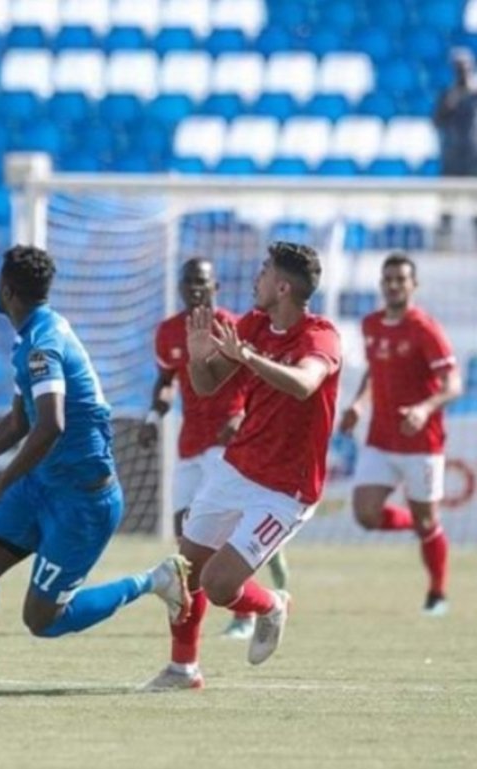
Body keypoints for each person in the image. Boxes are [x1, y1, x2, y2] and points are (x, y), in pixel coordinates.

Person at [0, 245, 191, 699]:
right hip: (41, 486)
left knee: (42, 621)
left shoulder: (44, 344)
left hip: (82, 500)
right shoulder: (30, 337)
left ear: (6, 290)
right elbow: (19, 422)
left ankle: (153, 581)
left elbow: (52, 425)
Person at [144, 241, 342, 692]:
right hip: (236, 469)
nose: (256, 278)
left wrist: (250, 356)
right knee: (184, 572)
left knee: (218, 584)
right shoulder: (254, 323)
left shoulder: (321, 334)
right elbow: (208, 384)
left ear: (283, 286)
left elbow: (306, 385)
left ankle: (272, 604)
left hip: (286, 490)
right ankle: (183, 670)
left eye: (265, 271)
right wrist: (198, 356)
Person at [139, 257, 289, 641]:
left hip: (229, 445)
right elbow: (165, 380)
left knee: (223, 539)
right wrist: (154, 417)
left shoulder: (236, 327)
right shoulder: (169, 331)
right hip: (190, 443)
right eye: (188, 281)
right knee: (183, 540)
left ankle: (246, 616)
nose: (194, 289)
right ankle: (225, 617)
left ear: (215, 287)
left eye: (201, 282)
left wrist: (244, 418)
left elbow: (261, 382)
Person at [340, 253, 461, 617]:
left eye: (400, 279)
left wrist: (424, 409)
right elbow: (373, 374)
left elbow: (453, 384)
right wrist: (359, 404)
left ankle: (437, 593)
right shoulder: (371, 324)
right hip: (381, 438)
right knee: (365, 514)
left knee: (426, 520)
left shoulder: (425, 329)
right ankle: (424, 525)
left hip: (422, 442)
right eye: (387, 279)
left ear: (413, 285)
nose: (393, 285)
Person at [432, 48, 477, 245]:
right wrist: (454, 97)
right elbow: (437, 120)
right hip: (452, 155)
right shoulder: (448, 94)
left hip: (474, 156)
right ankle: (444, 241)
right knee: (447, 203)